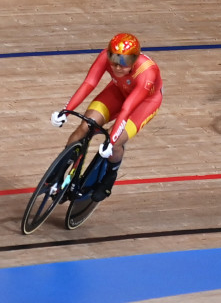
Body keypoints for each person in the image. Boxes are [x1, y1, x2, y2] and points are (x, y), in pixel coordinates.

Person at [50, 33, 163, 202]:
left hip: (143, 103)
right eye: (113, 58)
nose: (117, 66)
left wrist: (111, 140)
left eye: (124, 62)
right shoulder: (104, 56)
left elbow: (127, 108)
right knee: (85, 126)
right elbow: (89, 83)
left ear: (134, 59)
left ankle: (110, 176)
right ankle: (60, 169)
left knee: (114, 140)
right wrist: (66, 110)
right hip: (118, 91)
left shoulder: (147, 72)